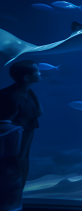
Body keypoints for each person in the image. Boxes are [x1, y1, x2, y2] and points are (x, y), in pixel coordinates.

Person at [0, 60, 43, 189]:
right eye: (37, 71)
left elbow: (39, 112)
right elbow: (4, 128)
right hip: (10, 152)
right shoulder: (9, 96)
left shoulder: (29, 93)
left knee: (18, 184)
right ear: (26, 77)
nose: (40, 72)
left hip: (24, 150)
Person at [0, 97, 23, 211]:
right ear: (15, 112)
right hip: (9, 172)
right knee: (12, 208)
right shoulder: (16, 129)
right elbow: (15, 153)